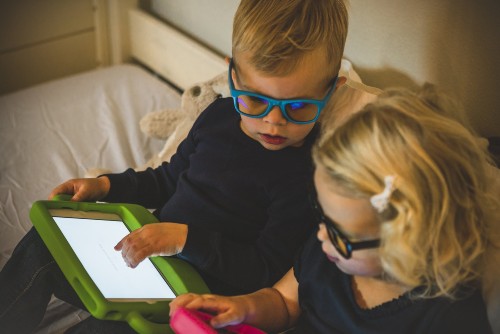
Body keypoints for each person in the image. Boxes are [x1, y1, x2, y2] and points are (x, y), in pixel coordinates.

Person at [0, 0, 354, 332]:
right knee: (45, 243)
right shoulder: (217, 117)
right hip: (144, 260)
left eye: (298, 108)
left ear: (331, 92)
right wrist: (106, 187)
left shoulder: (306, 175)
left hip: (188, 297)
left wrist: (184, 240)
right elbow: (168, 178)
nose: (273, 122)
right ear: (233, 78)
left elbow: (262, 271)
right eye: (256, 100)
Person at [170, 85, 496, 333]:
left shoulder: (447, 316)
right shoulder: (327, 255)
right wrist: (241, 308)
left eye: (340, 233)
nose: (321, 235)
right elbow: (285, 301)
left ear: (407, 239)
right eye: (322, 214)